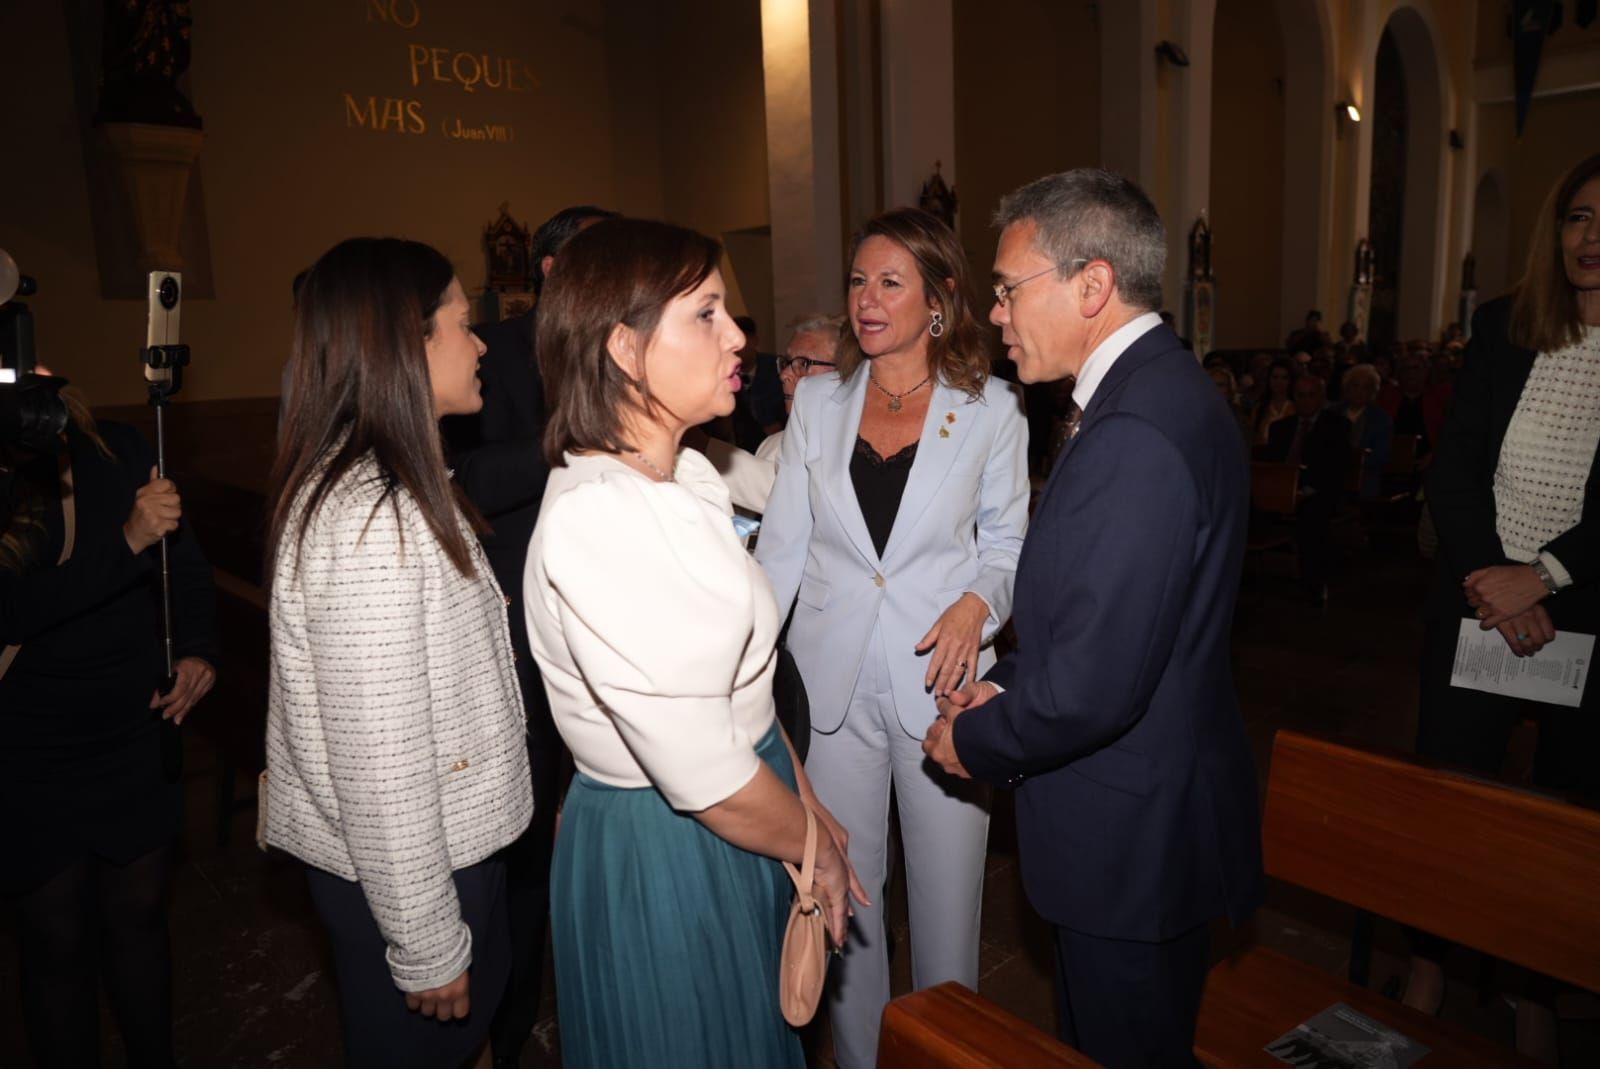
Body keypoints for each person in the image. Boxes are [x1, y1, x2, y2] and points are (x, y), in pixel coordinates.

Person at [922, 168, 1262, 1069]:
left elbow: (1099, 683)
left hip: (1131, 843)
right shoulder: (1154, 396)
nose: (994, 314)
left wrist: (979, 739)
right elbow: (1109, 621)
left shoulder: (1138, 432)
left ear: (1092, 284)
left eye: (1006, 289)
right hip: (1142, 813)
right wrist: (1005, 680)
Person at [523, 217, 864, 1069]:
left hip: (746, 805)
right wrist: (811, 847)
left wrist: (807, 798)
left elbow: (741, 686)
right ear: (627, 350)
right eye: (706, 313)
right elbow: (703, 772)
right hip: (668, 850)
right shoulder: (599, 518)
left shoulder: (687, 472)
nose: (739, 335)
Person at [757, 207, 1030, 1068]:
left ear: (940, 299)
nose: (866, 300)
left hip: (943, 687)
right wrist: (751, 674)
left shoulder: (992, 412)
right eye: (857, 281)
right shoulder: (820, 406)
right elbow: (782, 549)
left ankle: (949, 1054)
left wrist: (979, 604)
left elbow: (1010, 547)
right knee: (847, 899)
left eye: (889, 282)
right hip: (830, 684)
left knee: (950, 912)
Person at [263, 238, 534, 1068]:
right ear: (404, 342)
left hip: (441, 855)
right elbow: (381, 764)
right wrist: (424, 939)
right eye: (461, 322)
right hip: (414, 874)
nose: (482, 341)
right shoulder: (369, 518)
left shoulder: (399, 480)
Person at [1404, 153, 1600, 1065]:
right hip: (1480, 600)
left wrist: (1547, 574)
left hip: (1585, 611)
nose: (1592, 238)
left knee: (1568, 819)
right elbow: (1454, 471)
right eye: (1578, 217)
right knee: (1449, 791)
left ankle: (1537, 985)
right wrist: (1492, 574)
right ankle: (1429, 958)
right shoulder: (1504, 327)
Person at [440, 202, 615, 1069]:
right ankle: (510, 1028)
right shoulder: (487, 354)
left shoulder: (625, 345)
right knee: (520, 850)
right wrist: (566, 436)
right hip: (516, 638)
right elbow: (464, 478)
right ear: (548, 272)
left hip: (615, 637)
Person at [2, 377, 216, 1069]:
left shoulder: (117, 446)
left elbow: (182, 560)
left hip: (130, 724)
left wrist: (196, 649)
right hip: (32, 738)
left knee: (140, 922)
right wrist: (125, 539)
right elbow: (12, 610)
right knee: (55, 941)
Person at [699, 312, 843, 514]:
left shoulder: (854, 446)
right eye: (786, 362)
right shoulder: (772, 444)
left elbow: (783, 496)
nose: (784, 375)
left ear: (845, 374)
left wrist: (699, 444)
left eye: (803, 364)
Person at [1262, 374, 1351, 601]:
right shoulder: (1280, 428)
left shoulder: (1337, 426)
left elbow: (1335, 469)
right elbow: (1273, 465)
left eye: (1311, 396)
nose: (1305, 401)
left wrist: (1305, 491)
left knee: (1313, 514)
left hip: (1318, 492)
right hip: (1282, 491)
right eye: (1300, 396)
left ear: (1321, 397)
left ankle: (1312, 583)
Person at [1336, 363, 1392, 500]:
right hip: (1332, 476)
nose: (1359, 391)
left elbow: (1381, 457)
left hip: (1365, 479)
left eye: (1366, 387)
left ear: (1373, 392)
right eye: (1355, 385)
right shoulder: (1333, 413)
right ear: (1346, 388)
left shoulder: (1381, 419)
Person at [1250, 356, 1297, 446]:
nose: (1278, 382)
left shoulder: (1297, 407)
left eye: (1284, 378)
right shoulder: (1259, 408)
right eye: (1275, 377)